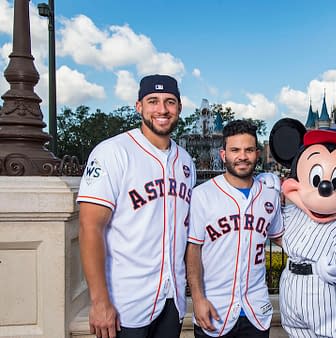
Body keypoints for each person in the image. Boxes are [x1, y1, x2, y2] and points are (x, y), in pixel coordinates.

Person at [78, 74, 196, 338]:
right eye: (153, 101)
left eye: (170, 102)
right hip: (125, 303)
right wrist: (99, 302)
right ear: (139, 106)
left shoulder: (186, 161)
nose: (162, 109)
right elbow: (89, 227)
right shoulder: (112, 152)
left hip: (172, 300)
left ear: (179, 108)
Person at [186, 120, 284, 337]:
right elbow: (193, 250)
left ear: (257, 154)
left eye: (249, 150)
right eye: (235, 150)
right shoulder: (202, 195)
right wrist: (198, 299)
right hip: (214, 308)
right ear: (223, 155)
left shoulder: (269, 194)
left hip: (255, 311)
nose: (242, 156)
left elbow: (281, 238)